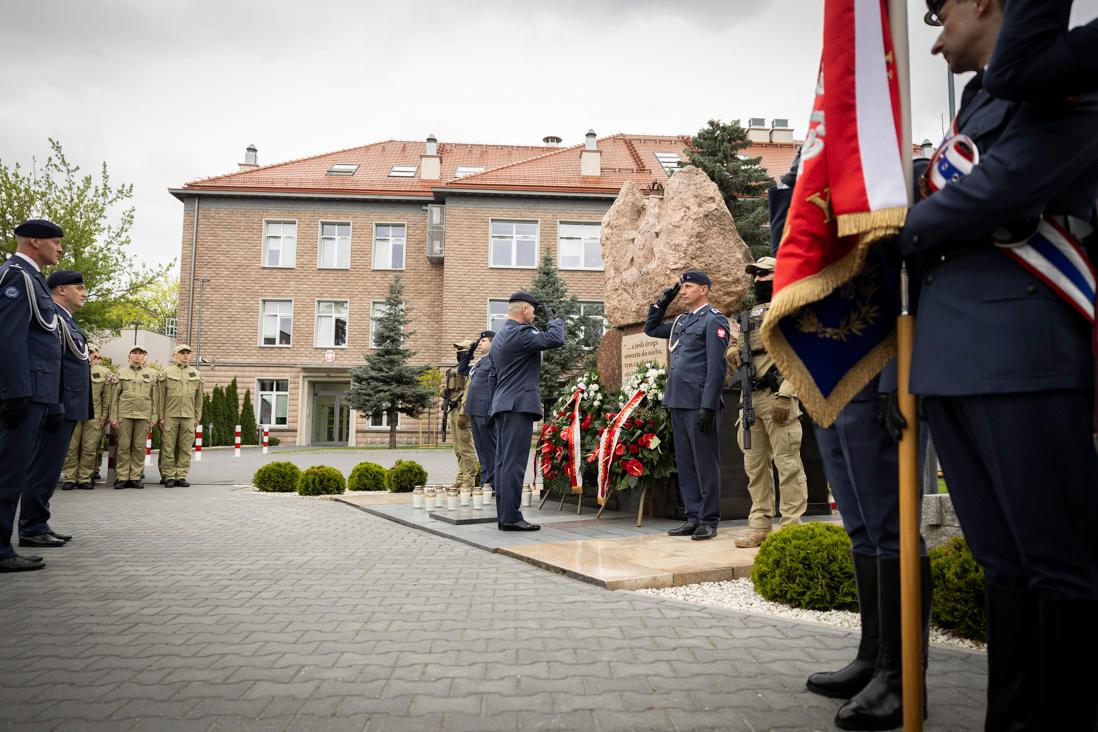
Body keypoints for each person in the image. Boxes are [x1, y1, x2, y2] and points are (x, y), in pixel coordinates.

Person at [898, 2, 1098, 728]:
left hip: (1023, 350)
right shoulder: (979, 100)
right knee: (1003, 565)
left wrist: (899, 227)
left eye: (939, 11)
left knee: (1057, 564)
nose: (934, 36)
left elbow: (1009, 183)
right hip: (953, 357)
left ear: (984, 0)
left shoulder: (1067, 75)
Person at [807, 365, 932, 731]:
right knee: (861, 530)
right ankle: (873, 659)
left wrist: (896, 378)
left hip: (876, 380)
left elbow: (903, 323)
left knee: (893, 531)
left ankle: (902, 676)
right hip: (828, 384)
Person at [727, 257, 809, 548]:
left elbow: (801, 355)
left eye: (764, 274)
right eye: (756, 275)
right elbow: (737, 343)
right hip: (750, 401)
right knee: (755, 468)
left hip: (778, 397)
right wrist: (732, 348)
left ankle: (791, 529)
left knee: (788, 465)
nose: (758, 279)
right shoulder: (748, 316)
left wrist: (788, 394)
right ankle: (760, 526)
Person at [644, 269, 730, 541]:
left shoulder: (714, 320)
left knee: (705, 463)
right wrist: (665, 299)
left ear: (704, 289)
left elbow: (716, 368)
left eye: (688, 287)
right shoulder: (682, 321)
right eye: (681, 287)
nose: (683, 291)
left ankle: (709, 519)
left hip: (699, 403)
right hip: (678, 400)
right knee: (686, 463)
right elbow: (651, 328)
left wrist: (709, 405)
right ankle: (693, 517)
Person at [0, 219, 65, 572]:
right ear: (34, 241)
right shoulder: (17, 277)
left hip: (37, 391)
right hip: (24, 393)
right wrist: (14, 392)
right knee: (8, 473)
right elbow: (9, 338)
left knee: (15, 470)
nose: (59, 249)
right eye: (55, 242)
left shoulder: (34, 278)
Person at [18, 270, 92, 550]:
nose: (84, 293)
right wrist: (56, 403)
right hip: (58, 405)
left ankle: (39, 522)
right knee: (43, 468)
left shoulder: (66, 319)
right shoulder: (53, 319)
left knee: (49, 469)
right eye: (79, 288)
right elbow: (53, 364)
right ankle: (31, 527)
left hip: (69, 404)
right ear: (61, 289)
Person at [488, 292, 564, 530]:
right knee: (514, 464)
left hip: (503, 405)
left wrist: (495, 405)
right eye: (533, 310)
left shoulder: (500, 336)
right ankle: (511, 518)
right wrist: (554, 321)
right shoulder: (522, 333)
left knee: (503, 463)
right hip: (517, 406)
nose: (534, 314)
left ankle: (505, 516)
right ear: (524, 310)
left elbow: (492, 377)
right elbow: (555, 339)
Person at [61, 343, 113, 490]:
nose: (88, 354)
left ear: (95, 355)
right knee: (71, 448)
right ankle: (70, 478)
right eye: (85, 352)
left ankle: (84, 477)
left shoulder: (104, 372)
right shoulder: (71, 368)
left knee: (89, 449)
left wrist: (104, 416)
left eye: (90, 352)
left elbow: (106, 397)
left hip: (94, 415)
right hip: (73, 414)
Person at [109, 345, 158, 489]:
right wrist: (113, 417)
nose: (137, 355)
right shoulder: (121, 372)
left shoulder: (152, 374)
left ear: (144, 357)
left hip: (144, 415)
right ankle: (122, 477)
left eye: (140, 353)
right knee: (123, 446)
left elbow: (155, 398)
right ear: (129, 356)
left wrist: (154, 416)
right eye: (134, 353)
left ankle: (135, 477)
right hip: (125, 414)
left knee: (139, 447)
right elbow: (114, 397)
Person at [157, 345, 203, 487]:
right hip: (170, 415)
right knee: (168, 447)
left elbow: (199, 398)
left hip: (189, 416)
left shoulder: (196, 374)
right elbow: (161, 396)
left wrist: (197, 417)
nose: (185, 356)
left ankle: (181, 475)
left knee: (186, 447)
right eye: (182, 353)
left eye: (187, 353)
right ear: (175, 355)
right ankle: (169, 475)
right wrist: (161, 416)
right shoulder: (166, 372)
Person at [462, 330, 496, 497]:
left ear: (493, 343)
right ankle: (484, 481)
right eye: (479, 342)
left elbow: (494, 385)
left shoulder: (495, 360)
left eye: (483, 341)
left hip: (485, 410)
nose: (480, 344)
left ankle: (493, 483)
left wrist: (491, 410)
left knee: (490, 448)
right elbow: (462, 370)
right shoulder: (480, 361)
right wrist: (470, 350)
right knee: (481, 448)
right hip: (474, 409)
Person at [445, 339, 478, 494]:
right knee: (458, 448)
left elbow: (469, 392)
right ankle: (460, 479)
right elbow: (444, 388)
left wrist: (464, 412)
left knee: (466, 447)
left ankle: (469, 481)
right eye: (458, 351)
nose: (459, 354)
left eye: (462, 351)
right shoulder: (452, 371)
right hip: (452, 410)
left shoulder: (471, 370)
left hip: (462, 410)